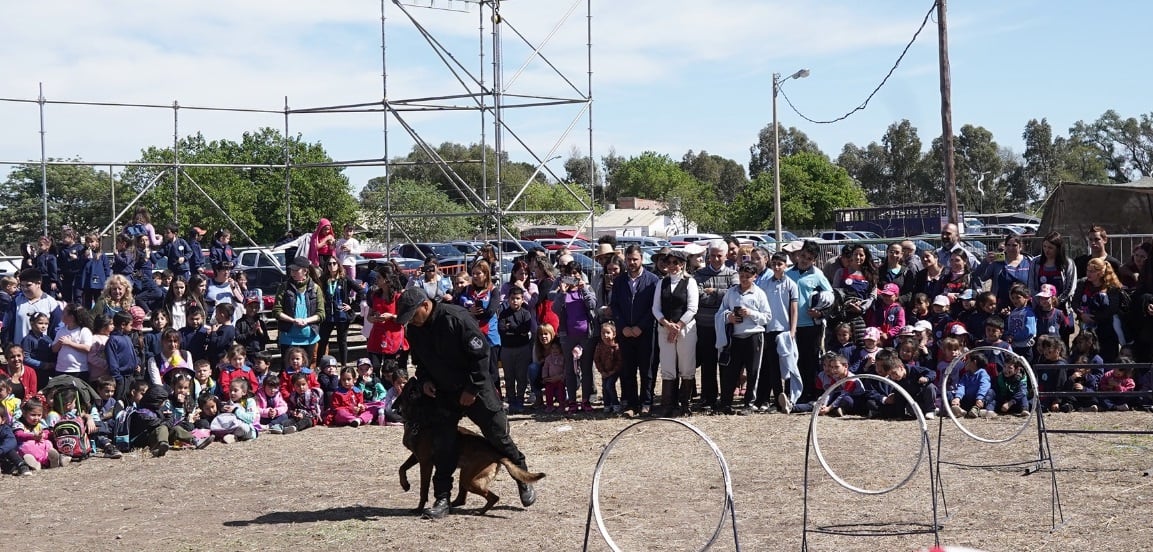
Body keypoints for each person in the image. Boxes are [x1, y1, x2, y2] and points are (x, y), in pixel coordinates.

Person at [393, 286, 538, 519]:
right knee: (443, 445)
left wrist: (471, 389)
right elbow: (421, 363)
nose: (411, 321)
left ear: (425, 305)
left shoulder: (456, 318)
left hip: (477, 390)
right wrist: (426, 381)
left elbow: (482, 356)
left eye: (412, 315)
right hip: (444, 393)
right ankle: (442, 499)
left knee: (498, 437)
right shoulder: (416, 330)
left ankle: (521, 476)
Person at [609, 245, 660, 417]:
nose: (631, 262)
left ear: (641, 259)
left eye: (635, 259)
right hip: (625, 333)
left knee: (647, 370)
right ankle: (631, 404)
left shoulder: (653, 280)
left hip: (645, 332)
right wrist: (623, 326)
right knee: (628, 370)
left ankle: (646, 402)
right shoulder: (619, 281)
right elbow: (614, 306)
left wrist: (640, 326)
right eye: (629, 259)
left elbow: (654, 307)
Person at [716, 262, 770, 415]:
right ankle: (726, 402)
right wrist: (729, 317)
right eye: (741, 276)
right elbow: (721, 312)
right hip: (735, 336)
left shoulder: (759, 293)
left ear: (755, 277)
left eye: (748, 277)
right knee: (731, 370)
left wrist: (751, 313)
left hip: (754, 336)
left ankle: (750, 403)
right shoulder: (731, 293)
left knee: (753, 370)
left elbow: (767, 317)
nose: (744, 279)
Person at [651, 249, 699, 417]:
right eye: (668, 262)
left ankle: (685, 404)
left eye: (675, 263)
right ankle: (667, 404)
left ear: (682, 264)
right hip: (664, 329)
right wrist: (666, 324)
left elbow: (692, 308)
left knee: (686, 366)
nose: (671, 266)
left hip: (685, 328)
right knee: (667, 366)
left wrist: (677, 326)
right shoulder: (661, 283)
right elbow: (655, 308)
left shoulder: (690, 282)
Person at [693, 240, 739, 412]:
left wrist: (713, 292)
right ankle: (708, 398)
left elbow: (734, 295)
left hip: (725, 327)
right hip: (705, 325)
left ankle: (725, 399)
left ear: (726, 256)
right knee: (708, 364)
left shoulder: (732, 273)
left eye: (719, 255)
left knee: (726, 364)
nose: (716, 259)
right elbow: (697, 295)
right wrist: (722, 296)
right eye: (712, 255)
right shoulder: (699, 274)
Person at [786, 241, 834, 402]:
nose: (805, 260)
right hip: (790, 326)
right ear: (799, 254)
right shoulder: (787, 273)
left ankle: (811, 394)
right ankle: (792, 395)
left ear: (814, 260)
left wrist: (820, 312)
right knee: (792, 361)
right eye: (803, 256)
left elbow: (830, 297)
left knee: (811, 361)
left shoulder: (818, 275)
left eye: (810, 258)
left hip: (811, 326)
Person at [551, 260, 598, 414]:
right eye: (569, 275)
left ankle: (586, 400)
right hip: (567, 335)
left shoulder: (587, 288)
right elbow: (555, 309)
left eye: (575, 274)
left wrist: (583, 289)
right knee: (570, 370)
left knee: (586, 368)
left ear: (580, 275)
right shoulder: (562, 292)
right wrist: (563, 293)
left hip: (586, 335)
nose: (572, 277)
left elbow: (592, 305)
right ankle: (572, 400)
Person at [273, 257, 325, 369]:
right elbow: (277, 311)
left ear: (305, 271)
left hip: (309, 337)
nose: (293, 273)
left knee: (305, 370)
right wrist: (293, 320)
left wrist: (306, 321)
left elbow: (321, 313)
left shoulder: (316, 288)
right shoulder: (284, 287)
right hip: (288, 336)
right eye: (292, 270)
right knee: (287, 369)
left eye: (296, 270)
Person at [1073, 258, 1125, 362]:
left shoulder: (1112, 286)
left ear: (1101, 272)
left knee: (1107, 357)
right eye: (1088, 270)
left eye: (1092, 271)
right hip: (1086, 328)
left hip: (1107, 329)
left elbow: (1112, 309)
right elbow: (1075, 302)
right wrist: (1082, 314)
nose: (1089, 274)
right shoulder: (1082, 283)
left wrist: (1095, 318)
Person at [317, 256, 363, 367]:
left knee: (342, 341)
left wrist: (352, 306)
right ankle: (319, 365)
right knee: (322, 340)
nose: (331, 266)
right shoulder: (323, 279)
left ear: (338, 265)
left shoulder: (344, 279)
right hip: (327, 315)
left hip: (341, 315)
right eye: (329, 264)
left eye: (334, 263)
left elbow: (361, 290)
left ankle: (343, 365)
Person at [365, 263, 409, 376]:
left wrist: (391, 316)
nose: (376, 280)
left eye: (379, 277)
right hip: (377, 335)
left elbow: (404, 318)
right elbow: (369, 316)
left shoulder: (398, 296)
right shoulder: (375, 295)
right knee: (375, 366)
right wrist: (374, 318)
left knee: (389, 370)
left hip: (393, 337)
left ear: (387, 279)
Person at [498, 287, 534, 413]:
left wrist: (512, 328)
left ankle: (520, 400)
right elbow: (502, 330)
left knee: (521, 376)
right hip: (507, 349)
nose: (515, 301)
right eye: (512, 298)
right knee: (509, 377)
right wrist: (517, 330)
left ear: (522, 300)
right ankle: (511, 399)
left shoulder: (526, 313)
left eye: (517, 299)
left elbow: (525, 329)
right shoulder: (503, 314)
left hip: (522, 348)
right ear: (508, 299)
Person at [12, 397, 69, 470]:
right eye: (33, 415)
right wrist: (33, 436)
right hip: (26, 446)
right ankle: (36, 463)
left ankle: (51, 460)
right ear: (24, 413)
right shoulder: (19, 423)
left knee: (48, 443)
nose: (36, 418)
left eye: (39, 415)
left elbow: (47, 432)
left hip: (40, 445)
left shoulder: (40, 423)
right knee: (27, 446)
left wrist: (43, 435)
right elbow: (19, 434)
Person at [1028, 232, 1078, 312]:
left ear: (1058, 249)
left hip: (1061, 308)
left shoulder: (1068, 263)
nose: (1046, 250)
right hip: (1040, 309)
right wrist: (1041, 302)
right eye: (1044, 246)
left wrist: (1056, 302)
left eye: (1050, 248)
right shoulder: (1036, 262)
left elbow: (1070, 288)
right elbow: (1031, 285)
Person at [980, 235, 1033, 310]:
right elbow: (982, 277)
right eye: (1008, 245)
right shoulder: (997, 262)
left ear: (1020, 247)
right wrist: (986, 262)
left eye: (1014, 245)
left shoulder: (1029, 261)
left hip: (1025, 307)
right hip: (1002, 306)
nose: (1011, 248)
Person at [12, 269, 63, 347]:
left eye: (28, 285)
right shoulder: (16, 301)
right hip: (19, 353)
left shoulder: (51, 303)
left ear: (38, 283)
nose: (24, 289)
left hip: (42, 352)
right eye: (22, 285)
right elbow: (7, 325)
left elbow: (57, 329)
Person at [948, 351, 995, 419]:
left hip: (978, 401)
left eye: (968, 361)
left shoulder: (982, 373)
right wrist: (958, 397)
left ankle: (976, 409)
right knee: (949, 393)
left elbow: (984, 385)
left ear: (974, 362)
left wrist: (979, 398)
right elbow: (961, 386)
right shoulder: (966, 375)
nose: (965, 363)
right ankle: (958, 409)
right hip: (966, 399)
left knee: (991, 392)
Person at [215, 378, 258, 443]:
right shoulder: (229, 403)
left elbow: (251, 419)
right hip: (233, 427)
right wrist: (222, 410)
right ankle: (232, 437)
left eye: (235, 391)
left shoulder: (250, 401)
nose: (232, 393)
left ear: (243, 392)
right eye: (230, 390)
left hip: (247, 430)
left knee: (243, 427)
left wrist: (235, 410)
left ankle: (233, 436)